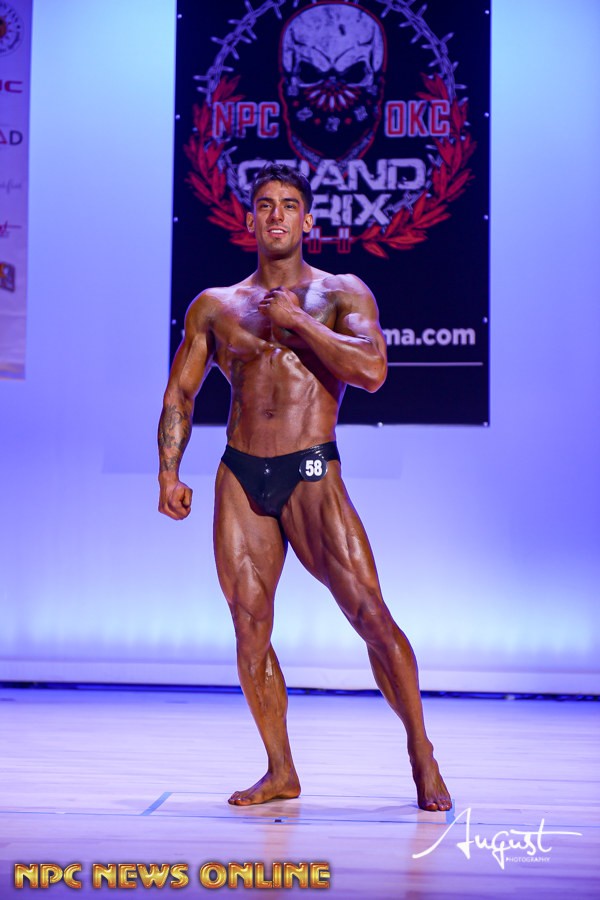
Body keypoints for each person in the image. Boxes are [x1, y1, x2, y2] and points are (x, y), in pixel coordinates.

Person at [158, 162, 451, 812]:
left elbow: (372, 371)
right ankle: (280, 769)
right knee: (249, 627)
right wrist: (168, 471)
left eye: (289, 204)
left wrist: (301, 323)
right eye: (265, 204)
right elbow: (181, 391)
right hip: (241, 471)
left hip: (312, 467)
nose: (277, 215)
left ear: (308, 219)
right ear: (250, 219)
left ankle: (420, 750)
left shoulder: (341, 293)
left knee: (369, 614)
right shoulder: (216, 306)